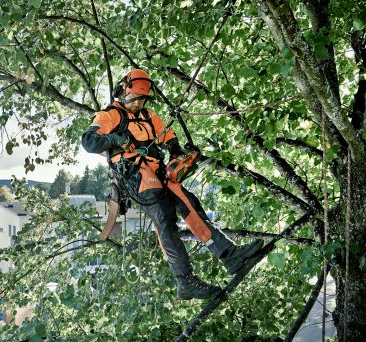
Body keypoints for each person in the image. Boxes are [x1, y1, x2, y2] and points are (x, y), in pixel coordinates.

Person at [81, 69, 264, 300]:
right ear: (123, 92)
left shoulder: (149, 117)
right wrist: (115, 139)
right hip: (134, 177)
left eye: (142, 99)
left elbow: (168, 137)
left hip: (157, 172)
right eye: (134, 99)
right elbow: (88, 141)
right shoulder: (110, 116)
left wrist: (178, 153)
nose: (138, 103)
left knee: (189, 203)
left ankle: (229, 254)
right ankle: (185, 280)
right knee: (165, 217)